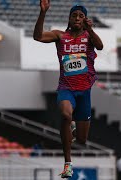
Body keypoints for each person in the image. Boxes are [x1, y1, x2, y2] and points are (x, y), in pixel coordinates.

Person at [33, 0, 103, 178]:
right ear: (69, 19)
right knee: (65, 114)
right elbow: (38, 36)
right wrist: (43, 12)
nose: (77, 18)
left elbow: (100, 46)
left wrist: (91, 29)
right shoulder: (60, 36)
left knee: (81, 139)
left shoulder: (89, 37)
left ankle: (72, 128)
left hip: (84, 91)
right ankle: (68, 163)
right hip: (66, 88)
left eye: (81, 16)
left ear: (85, 19)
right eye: (74, 15)